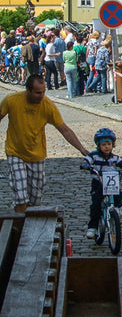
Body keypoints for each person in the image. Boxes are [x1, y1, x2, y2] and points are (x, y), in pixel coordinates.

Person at [0, 74, 89, 213]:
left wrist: (82, 149)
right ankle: (19, 229)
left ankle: (30, 226)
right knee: (20, 195)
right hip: (15, 152)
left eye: (43, 92)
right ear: (28, 90)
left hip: (37, 155)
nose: (41, 95)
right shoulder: (12, 101)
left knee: (35, 200)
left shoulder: (48, 106)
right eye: (37, 92)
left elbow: (64, 129)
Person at [80, 128, 122, 239]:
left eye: (109, 144)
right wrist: (85, 165)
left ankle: (118, 207)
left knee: (118, 194)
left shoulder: (114, 157)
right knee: (96, 204)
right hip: (99, 182)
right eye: (103, 144)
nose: (106, 147)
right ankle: (92, 227)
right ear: (98, 146)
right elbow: (86, 160)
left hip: (111, 182)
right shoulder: (94, 156)